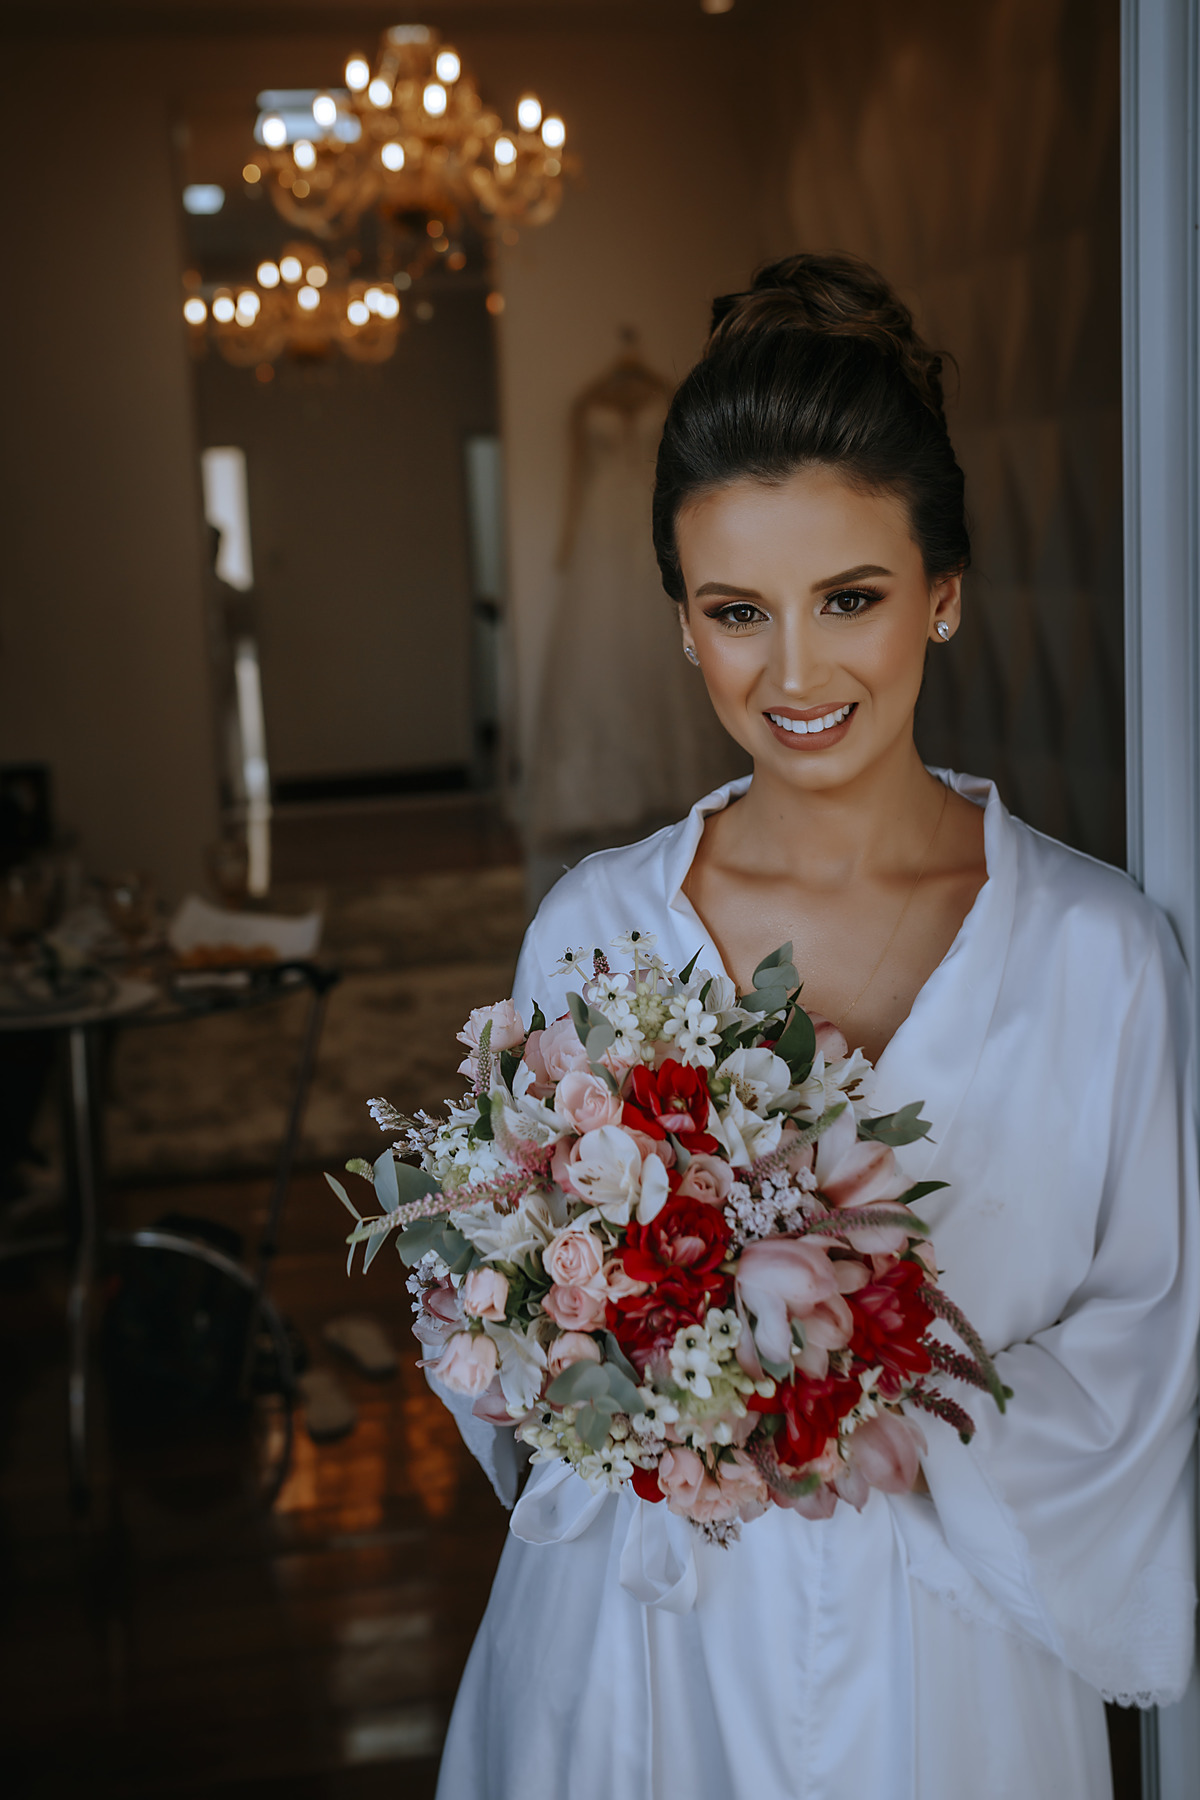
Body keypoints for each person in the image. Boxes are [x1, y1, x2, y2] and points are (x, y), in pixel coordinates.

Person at [433, 254, 1198, 1800]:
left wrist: (861, 1395)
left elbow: (1151, 1348)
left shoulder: (1100, 955)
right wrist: (620, 1351)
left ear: (945, 591)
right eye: (736, 611)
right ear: (684, 624)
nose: (794, 672)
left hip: (955, 1666)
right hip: (631, 1652)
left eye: (848, 598)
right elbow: (500, 1339)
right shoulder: (597, 928)